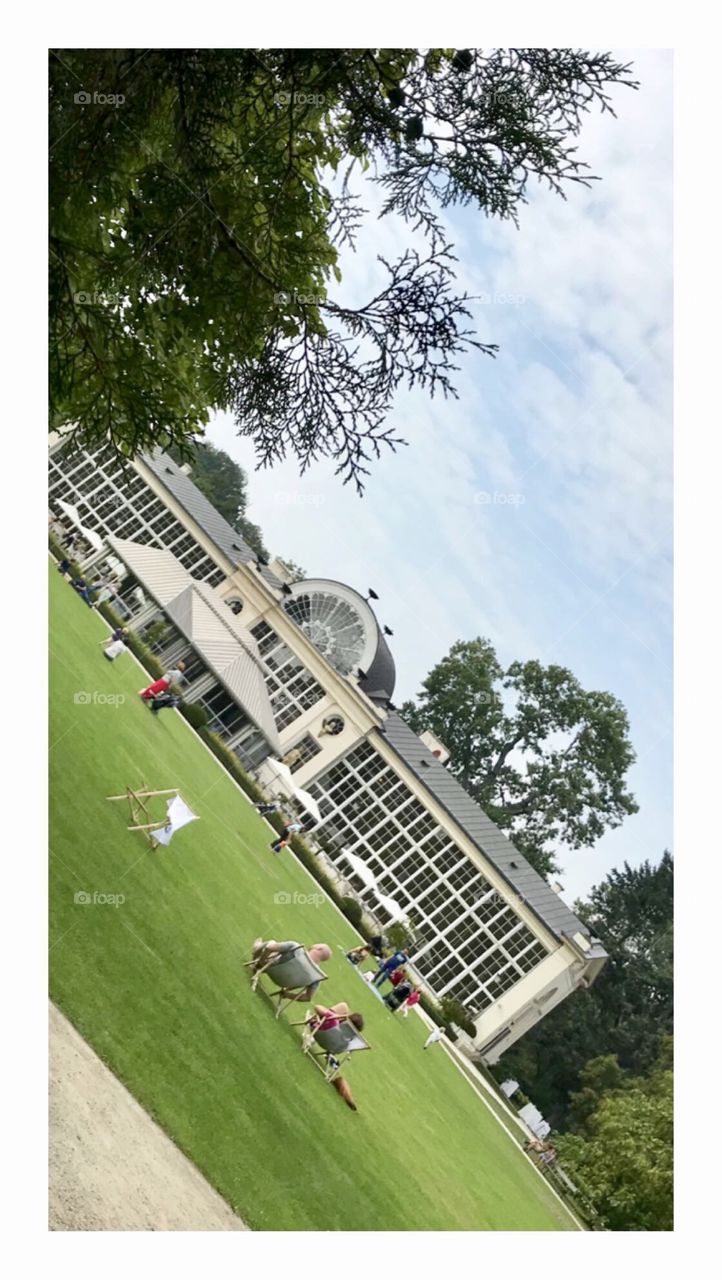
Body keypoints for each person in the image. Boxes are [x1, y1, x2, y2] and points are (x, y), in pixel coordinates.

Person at [251, 938, 331, 1000]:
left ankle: (257, 953)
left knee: (271, 943)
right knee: (279, 957)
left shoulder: (296, 947)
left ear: (319, 948)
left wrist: (261, 962)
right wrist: (287, 995)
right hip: (283, 983)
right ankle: (259, 962)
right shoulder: (317, 975)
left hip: (271, 968)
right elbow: (308, 997)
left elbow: (269, 948)